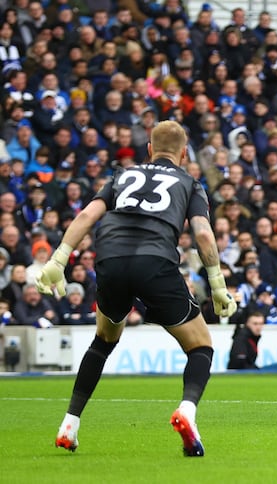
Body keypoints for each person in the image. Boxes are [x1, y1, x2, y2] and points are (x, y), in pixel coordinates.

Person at [36, 121, 236, 456]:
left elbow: (88, 214)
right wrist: (217, 285)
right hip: (154, 260)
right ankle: (187, 412)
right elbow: (202, 233)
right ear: (184, 153)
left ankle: (69, 424)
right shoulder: (189, 182)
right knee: (201, 346)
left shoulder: (121, 175)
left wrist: (58, 260)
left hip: (110, 257)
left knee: (103, 341)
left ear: (149, 150)